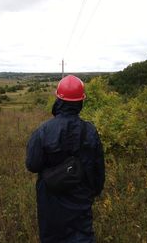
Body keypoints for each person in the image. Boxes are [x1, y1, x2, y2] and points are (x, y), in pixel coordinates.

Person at [26, 75, 105, 243]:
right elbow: (98, 170)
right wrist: (92, 193)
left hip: (50, 204)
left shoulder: (43, 131)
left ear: (58, 100)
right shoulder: (90, 131)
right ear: (80, 102)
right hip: (81, 202)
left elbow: (32, 165)